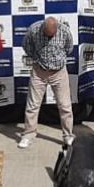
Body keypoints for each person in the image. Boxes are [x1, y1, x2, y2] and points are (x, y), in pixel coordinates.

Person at [19, 16, 76, 149]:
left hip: (59, 72)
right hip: (39, 71)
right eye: (46, 34)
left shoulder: (65, 31)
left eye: (52, 35)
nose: (48, 37)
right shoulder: (34, 30)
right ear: (43, 28)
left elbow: (69, 48)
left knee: (65, 106)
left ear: (56, 29)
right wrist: (37, 59)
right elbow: (26, 46)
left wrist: (58, 60)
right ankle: (28, 134)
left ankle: (68, 136)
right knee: (32, 105)